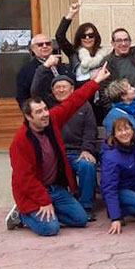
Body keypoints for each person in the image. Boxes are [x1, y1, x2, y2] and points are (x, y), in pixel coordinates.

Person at [5, 66, 109, 236]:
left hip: (55, 188)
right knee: (50, 229)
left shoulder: (51, 120)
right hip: (33, 192)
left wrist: (96, 81)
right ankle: (23, 215)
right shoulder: (20, 141)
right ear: (29, 117)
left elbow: (73, 101)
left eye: (45, 109)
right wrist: (43, 201)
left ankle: (46, 213)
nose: (45, 114)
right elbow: (25, 178)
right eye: (39, 112)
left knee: (81, 219)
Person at [30, 59, 99, 217]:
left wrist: (87, 150)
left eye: (64, 87)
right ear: (52, 90)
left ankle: (86, 207)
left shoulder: (84, 105)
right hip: (54, 153)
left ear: (72, 89)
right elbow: (34, 91)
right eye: (57, 87)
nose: (61, 90)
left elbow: (90, 130)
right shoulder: (47, 106)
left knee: (87, 165)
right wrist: (44, 68)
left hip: (77, 152)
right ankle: (46, 202)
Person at [54, 2, 109, 87]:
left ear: (96, 37)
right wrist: (71, 14)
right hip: (79, 92)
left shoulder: (104, 55)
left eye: (90, 35)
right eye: (83, 36)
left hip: (101, 93)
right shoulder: (73, 53)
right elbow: (59, 36)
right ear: (79, 38)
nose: (87, 38)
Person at [15, 33, 71, 107]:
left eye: (48, 44)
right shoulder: (26, 70)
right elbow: (22, 97)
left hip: (66, 108)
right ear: (33, 48)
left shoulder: (63, 66)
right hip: (44, 110)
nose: (45, 46)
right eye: (40, 45)